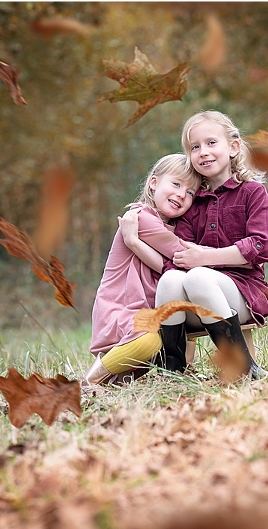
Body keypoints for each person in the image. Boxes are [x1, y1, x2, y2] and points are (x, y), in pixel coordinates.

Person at [154, 110, 268, 380]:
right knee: (171, 280)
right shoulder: (193, 202)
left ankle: (242, 367)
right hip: (197, 305)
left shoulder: (252, 192)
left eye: (211, 143)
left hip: (243, 296)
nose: (203, 152)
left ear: (233, 147)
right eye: (195, 147)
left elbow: (261, 247)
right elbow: (180, 253)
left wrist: (206, 257)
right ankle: (172, 369)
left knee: (197, 276)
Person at [82, 154, 202, 388]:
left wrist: (135, 244)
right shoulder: (141, 218)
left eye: (190, 192)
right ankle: (89, 380)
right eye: (176, 184)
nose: (181, 194)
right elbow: (182, 259)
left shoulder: (174, 227)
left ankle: (115, 379)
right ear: (154, 182)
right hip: (120, 309)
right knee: (149, 342)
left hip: (144, 312)